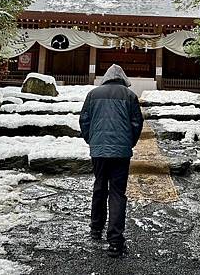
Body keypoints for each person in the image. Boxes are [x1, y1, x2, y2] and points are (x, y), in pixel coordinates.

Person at [79, 64, 144, 258]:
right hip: (121, 152)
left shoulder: (93, 94)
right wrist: (128, 143)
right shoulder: (130, 95)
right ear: (122, 78)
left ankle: (95, 228)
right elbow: (136, 123)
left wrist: (92, 140)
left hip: (99, 151)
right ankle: (115, 241)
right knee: (117, 192)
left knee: (99, 187)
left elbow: (84, 120)